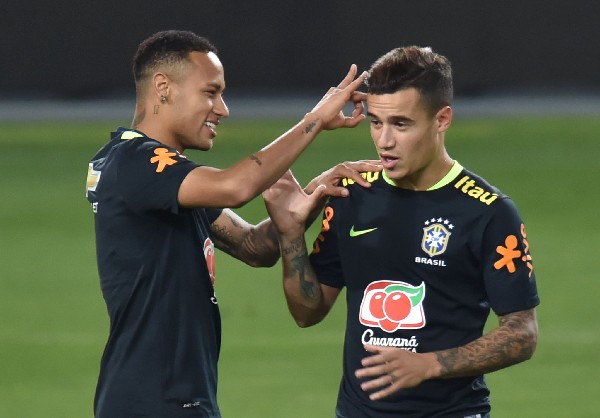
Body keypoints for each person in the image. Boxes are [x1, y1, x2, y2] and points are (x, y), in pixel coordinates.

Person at [85, 29, 381, 418]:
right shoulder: (134, 162)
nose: (222, 109)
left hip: (179, 396)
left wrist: (306, 202)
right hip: (152, 400)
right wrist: (314, 121)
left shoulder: (166, 180)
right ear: (163, 87)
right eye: (210, 92)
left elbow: (254, 248)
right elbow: (237, 186)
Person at [263, 46, 540, 418]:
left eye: (401, 124)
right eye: (376, 122)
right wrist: (291, 234)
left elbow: (522, 333)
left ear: (442, 120)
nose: (384, 141)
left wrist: (430, 364)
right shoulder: (353, 194)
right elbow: (307, 312)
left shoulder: (487, 212)